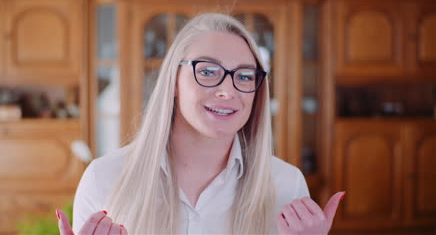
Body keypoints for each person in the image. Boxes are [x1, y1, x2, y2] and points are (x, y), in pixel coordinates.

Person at [56, 13, 345, 235]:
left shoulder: (286, 184)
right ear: (174, 82)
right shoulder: (104, 178)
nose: (228, 90)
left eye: (244, 76)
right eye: (207, 71)